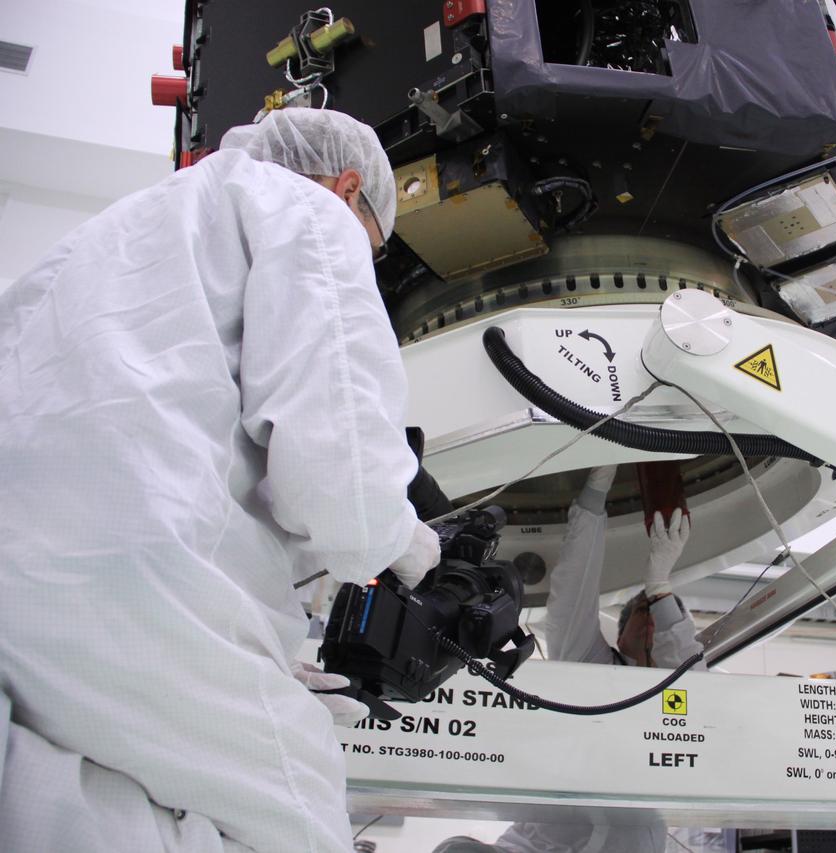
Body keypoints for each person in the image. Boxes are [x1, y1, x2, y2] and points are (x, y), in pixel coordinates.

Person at [0, 108, 440, 852]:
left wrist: (264, 653)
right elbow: (345, 478)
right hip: (142, 578)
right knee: (294, 823)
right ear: (348, 185)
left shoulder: (104, 235)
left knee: (64, 806)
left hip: (30, 589)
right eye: (374, 246)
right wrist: (408, 543)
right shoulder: (307, 210)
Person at [436, 465, 727, 853]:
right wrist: (593, 493)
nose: (658, 627)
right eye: (648, 616)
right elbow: (572, 596)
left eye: (664, 618)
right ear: (621, 634)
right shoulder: (597, 672)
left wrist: (660, 590)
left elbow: (691, 677)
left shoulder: (676, 705)